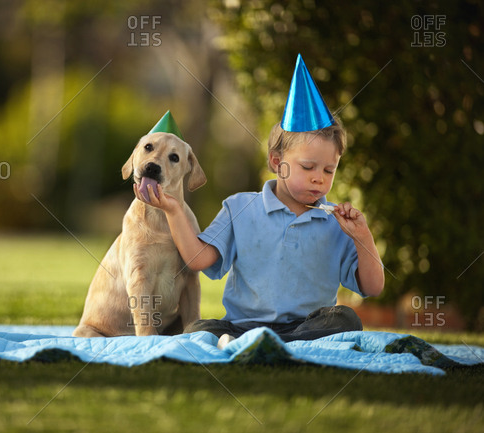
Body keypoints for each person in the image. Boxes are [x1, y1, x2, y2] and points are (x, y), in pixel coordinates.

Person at [134, 54, 384, 346]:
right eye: (308, 167)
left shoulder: (335, 223)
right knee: (197, 329)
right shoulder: (240, 208)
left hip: (307, 326)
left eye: (329, 170)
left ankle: (264, 344)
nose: (319, 178)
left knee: (347, 319)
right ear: (277, 162)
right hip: (242, 326)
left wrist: (362, 237)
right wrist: (174, 209)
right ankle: (258, 342)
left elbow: (373, 287)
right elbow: (198, 259)